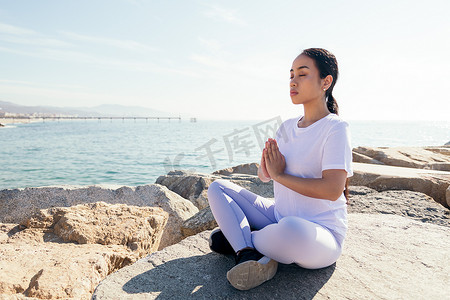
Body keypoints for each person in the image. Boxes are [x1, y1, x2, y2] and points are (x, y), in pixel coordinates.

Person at [207, 48, 353, 291]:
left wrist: (280, 175)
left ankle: (241, 239)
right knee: (217, 187)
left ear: (325, 82)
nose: (293, 81)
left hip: (319, 234)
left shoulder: (335, 128)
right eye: (291, 75)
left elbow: (332, 189)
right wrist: (267, 169)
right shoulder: (286, 127)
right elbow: (266, 177)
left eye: (302, 74)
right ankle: (246, 251)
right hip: (278, 214)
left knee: (293, 230)